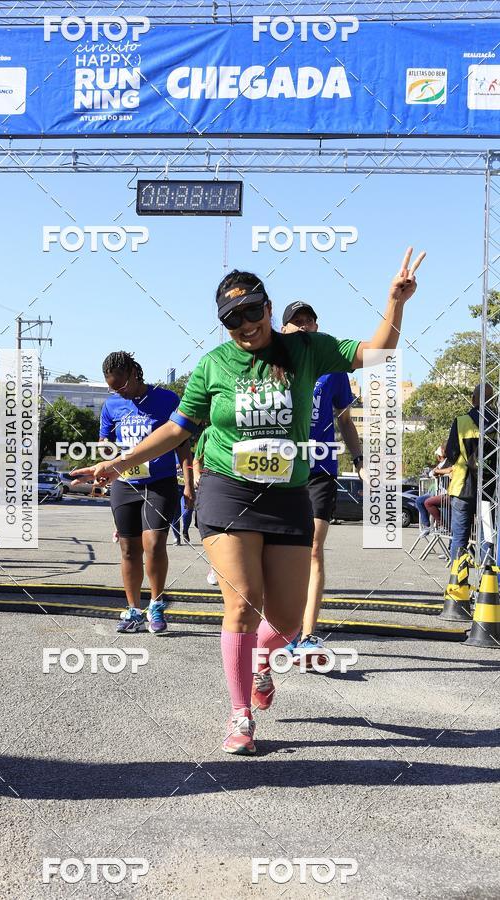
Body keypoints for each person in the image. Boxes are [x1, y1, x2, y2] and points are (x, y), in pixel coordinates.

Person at [77, 248, 425, 754]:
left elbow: (376, 353)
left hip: (288, 494)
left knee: (283, 621)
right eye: (231, 319)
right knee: (242, 604)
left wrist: (395, 303)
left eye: (252, 311)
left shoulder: (305, 349)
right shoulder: (214, 365)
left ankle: (263, 660)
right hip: (226, 488)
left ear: (268, 306)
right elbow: (177, 429)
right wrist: (117, 464)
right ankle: (240, 714)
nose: (244, 325)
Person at [76, 351, 194, 634]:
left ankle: (156, 604)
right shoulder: (112, 406)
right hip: (124, 484)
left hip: (160, 482)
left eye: (121, 385)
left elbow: (182, 446)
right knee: (128, 549)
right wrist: (100, 476)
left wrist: (188, 484)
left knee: (153, 544)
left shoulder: (167, 400)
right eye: (112, 388)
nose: (119, 392)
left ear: (134, 373)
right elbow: (106, 447)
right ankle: (133, 610)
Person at [280, 301, 364, 661]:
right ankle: (283, 628)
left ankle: (309, 634)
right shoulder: (271, 362)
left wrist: (360, 459)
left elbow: (345, 421)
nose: (302, 327)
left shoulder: (332, 369)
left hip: (320, 468)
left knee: (314, 549)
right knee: (279, 554)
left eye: (308, 321)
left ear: (317, 326)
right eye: (295, 323)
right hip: (280, 469)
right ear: (282, 329)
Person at [445, 383, 494, 562]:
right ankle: (487, 585)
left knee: (459, 540)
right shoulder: (496, 425)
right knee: (486, 539)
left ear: (473, 399)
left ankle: (457, 583)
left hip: (462, 488)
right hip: (489, 490)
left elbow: (451, 454)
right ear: (493, 400)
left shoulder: (461, 422)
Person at [193, 426, 219, 586]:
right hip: (212, 485)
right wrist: (196, 476)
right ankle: (215, 565)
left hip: (238, 486)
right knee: (209, 528)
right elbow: (197, 458)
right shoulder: (209, 432)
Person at [171, 464, 193, 546]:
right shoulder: (170, 453)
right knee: (175, 514)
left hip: (188, 487)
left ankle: (185, 530)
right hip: (175, 487)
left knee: (187, 512)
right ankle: (176, 537)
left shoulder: (191, 454)